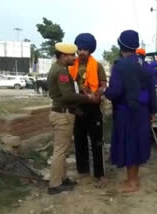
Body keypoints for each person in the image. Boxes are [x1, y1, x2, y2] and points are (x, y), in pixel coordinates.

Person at [104, 30, 157, 193]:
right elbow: (151, 91)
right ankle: (132, 178)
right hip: (142, 111)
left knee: (129, 144)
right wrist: (152, 111)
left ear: (121, 46)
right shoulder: (146, 66)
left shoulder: (120, 66)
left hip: (126, 112)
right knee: (138, 143)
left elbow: (116, 91)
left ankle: (132, 182)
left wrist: (104, 92)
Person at [47, 43, 98, 195]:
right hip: (62, 115)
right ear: (63, 56)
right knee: (60, 151)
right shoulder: (61, 71)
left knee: (63, 149)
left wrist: (76, 109)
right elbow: (68, 95)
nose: (75, 58)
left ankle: (62, 179)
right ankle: (55, 184)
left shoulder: (57, 68)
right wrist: (88, 98)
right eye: (72, 55)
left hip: (63, 112)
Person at [69, 33, 107, 186]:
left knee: (97, 141)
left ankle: (100, 174)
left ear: (90, 50)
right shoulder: (72, 65)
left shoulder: (97, 65)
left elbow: (103, 84)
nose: (82, 52)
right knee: (79, 140)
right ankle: (83, 171)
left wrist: (97, 93)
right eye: (80, 49)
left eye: (85, 49)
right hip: (78, 107)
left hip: (93, 106)